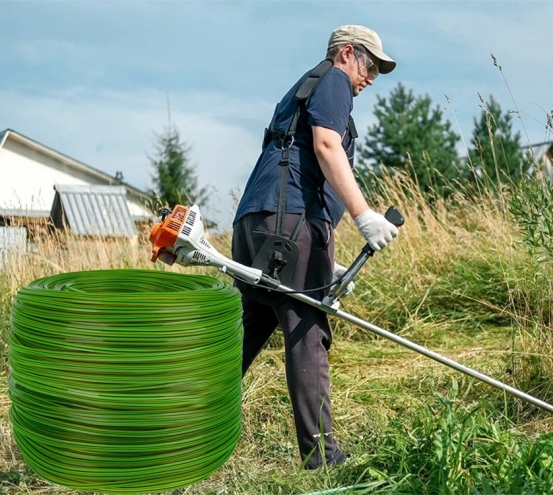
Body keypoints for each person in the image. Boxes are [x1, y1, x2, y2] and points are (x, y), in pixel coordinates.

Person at [231, 24, 399, 469]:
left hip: (258, 221)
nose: (370, 78)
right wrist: (365, 216)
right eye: (370, 66)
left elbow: (294, 160)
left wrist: (326, 256)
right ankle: (323, 459)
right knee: (308, 334)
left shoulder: (305, 89)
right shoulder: (334, 81)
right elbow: (327, 146)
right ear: (348, 54)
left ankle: (181, 424)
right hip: (287, 223)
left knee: (247, 332)